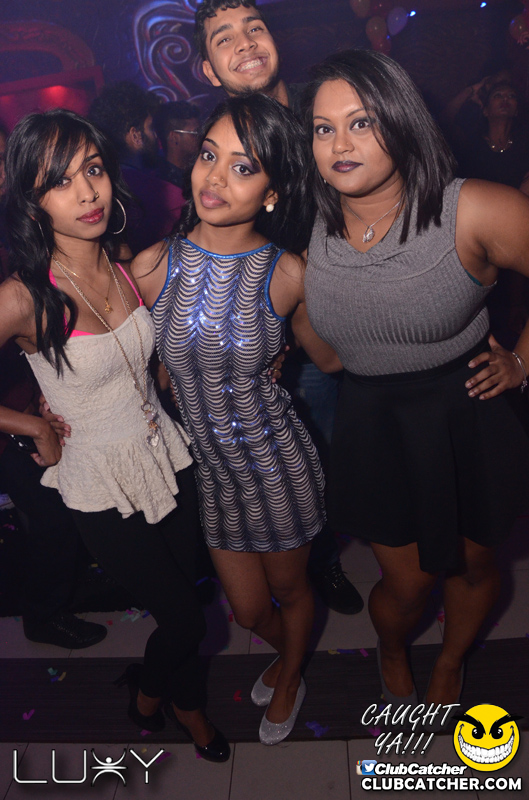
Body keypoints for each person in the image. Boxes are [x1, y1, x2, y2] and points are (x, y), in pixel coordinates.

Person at [302, 50, 529, 718]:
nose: (339, 144)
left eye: (361, 122)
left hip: (463, 411)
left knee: (474, 566)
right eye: (322, 128)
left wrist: (522, 362)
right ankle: (393, 647)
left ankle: (452, 660)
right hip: (373, 421)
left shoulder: (473, 208)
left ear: (401, 120)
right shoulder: (309, 219)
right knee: (405, 586)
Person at [0, 108, 229, 761]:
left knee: (189, 604)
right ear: (32, 201)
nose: (87, 192)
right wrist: (30, 425)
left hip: (167, 457)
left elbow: (144, 356)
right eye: (60, 181)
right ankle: (165, 700)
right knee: (185, 620)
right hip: (100, 483)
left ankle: (166, 695)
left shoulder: (122, 259)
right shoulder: (23, 297)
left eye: (93, 170)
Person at [132, 93, 341, 744]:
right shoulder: (151, 265)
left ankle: (291, 674)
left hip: (277, 464)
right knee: (249, 611)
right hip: (212, 475)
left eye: (242, 167)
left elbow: (331, 359)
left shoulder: (289, 273)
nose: (214, 178)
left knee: (291, 592)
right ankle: (286, 652)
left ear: (272, 192)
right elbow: (129, 362)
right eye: (208, 156)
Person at [194, 0, 363, 615]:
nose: (244, 43)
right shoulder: (220, 136)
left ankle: (338, 546)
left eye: (254, 28)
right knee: (298, 454)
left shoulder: (326, 109)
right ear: (208, 69)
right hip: (276, 337)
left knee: (344, 449)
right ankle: (322, 563)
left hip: (352, 313)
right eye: (223, 38)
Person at [89, 82, 185, 253]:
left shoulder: (97, 189)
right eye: (150, 128)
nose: (156, 137)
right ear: (135, 135)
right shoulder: (165, 194)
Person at [153, 101, 201, 189]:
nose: (201, 137)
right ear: (174, 137)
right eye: (195, 132)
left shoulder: (198, 172)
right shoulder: (162, 184)